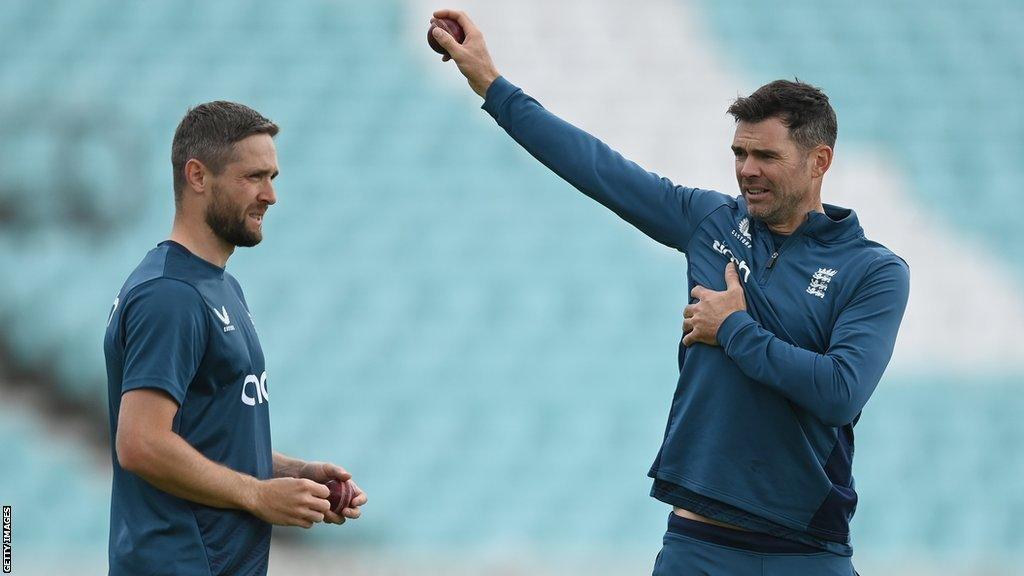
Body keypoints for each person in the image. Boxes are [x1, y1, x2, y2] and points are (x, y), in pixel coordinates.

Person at [431, 10, 908, 575]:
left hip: (806, 552)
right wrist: (490, 82)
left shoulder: (873, 271)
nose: (747, 170)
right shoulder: (709, 220)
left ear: (819, 161)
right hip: (696, 545)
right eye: (739, 153)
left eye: (767, 157)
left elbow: (839, 393)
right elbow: (594, 166)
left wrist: (733, 330)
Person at [103, 101, 367, 576]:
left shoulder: (217, 285)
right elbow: (140, 443)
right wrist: (258, 494)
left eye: (274, 177)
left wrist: (293, 473)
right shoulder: (171, 295)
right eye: (254, 177)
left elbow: (206, 435)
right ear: (198, 176)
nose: (271, 196)